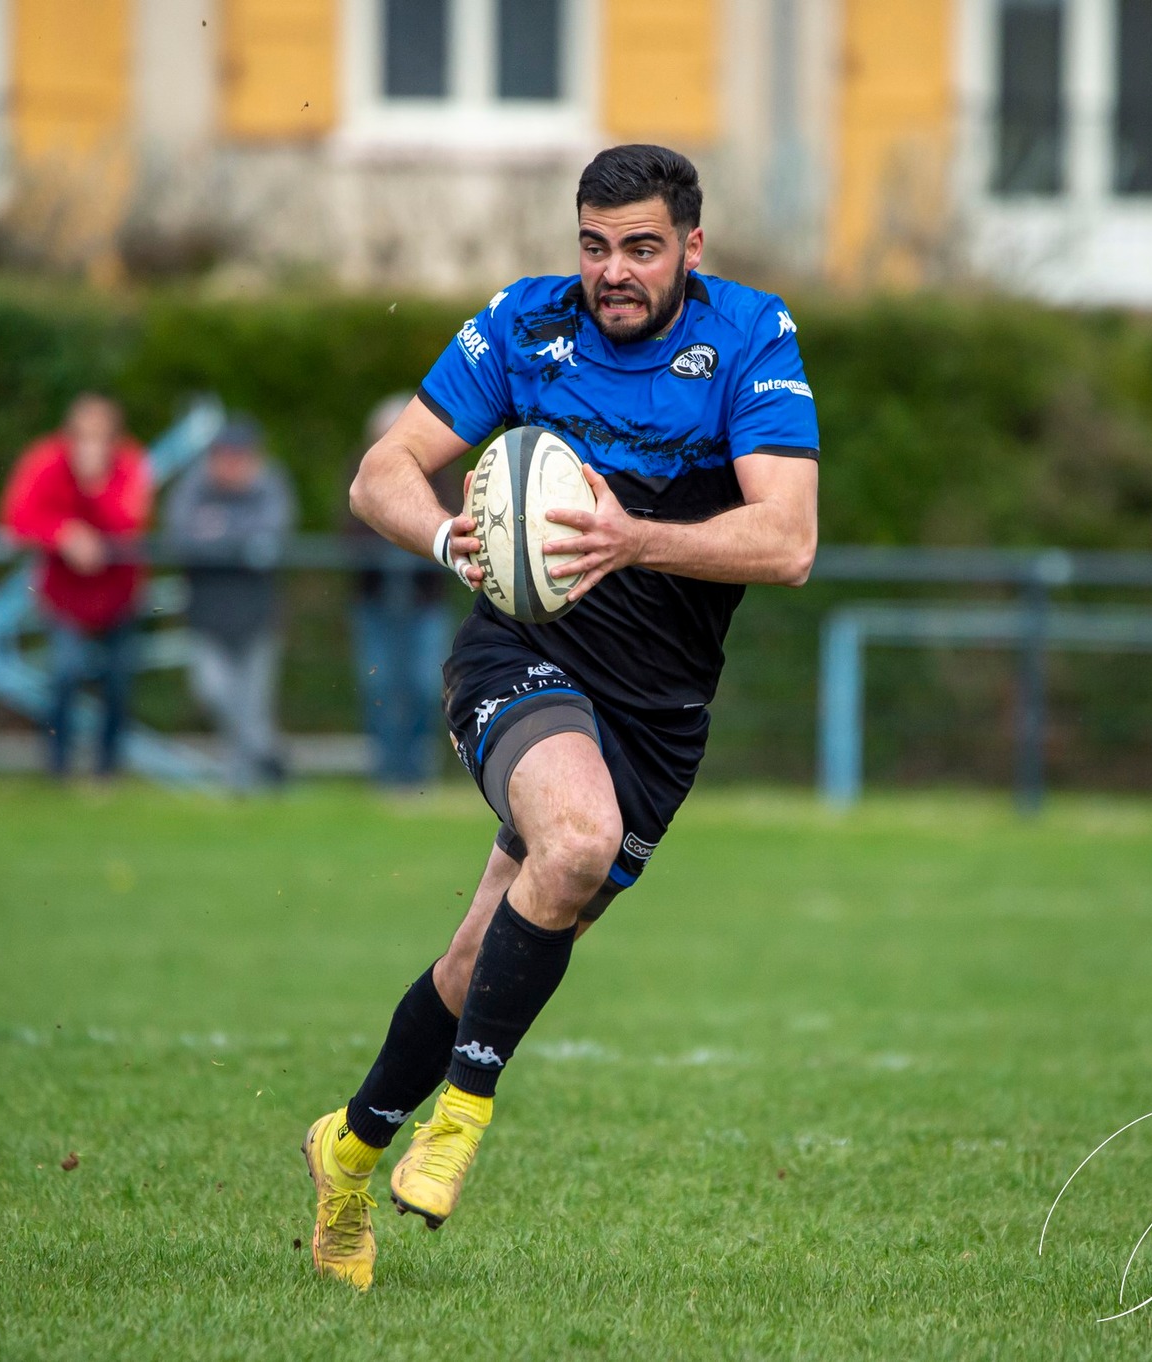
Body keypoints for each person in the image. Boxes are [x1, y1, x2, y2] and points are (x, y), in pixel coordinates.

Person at [300, 144, 820, 1290]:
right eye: (594, 246)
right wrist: (447, 538)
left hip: (658, 711)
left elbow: (785, 542)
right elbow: (380, 473)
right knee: (573, 839)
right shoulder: (522, 328)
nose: (612, 273)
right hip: (520, 649)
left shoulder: (750, 338)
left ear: (691, 246)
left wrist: (636, 536)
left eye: (639, 248)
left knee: (486, 948)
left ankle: (343, 1150)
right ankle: (461, 1121)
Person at [0, 394, 152, 779]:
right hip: (63, 595)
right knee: (65, 673)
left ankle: (107, 769)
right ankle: (58, 767)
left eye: (100, 436)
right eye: (83, 435)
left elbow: (129, 523)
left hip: (119, 595)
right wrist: (63, 534)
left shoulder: (131, 465)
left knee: (117, 680)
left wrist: (94, 486)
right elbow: (17, 517)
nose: (90, 445)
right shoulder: (45, 460)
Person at [165, 416, 298, 790]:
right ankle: (268, 755)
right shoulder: (195, 486)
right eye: (225, 455)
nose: (232, 464)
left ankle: (243, 782)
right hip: (206, 616)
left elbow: (271, 536)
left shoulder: (269, 484)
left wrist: (218, 531)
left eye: (240, 456)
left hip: (258, 617)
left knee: (254, 702)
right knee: (213, 691)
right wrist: (237, 541)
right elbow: (180, 536)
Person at [343, 393, 460, 789]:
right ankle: (386, 773)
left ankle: (416, 771)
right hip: (376, 603)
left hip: (425, 604)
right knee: (380, 687)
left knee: (425, 687)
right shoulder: (360, 473)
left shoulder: (440, 473)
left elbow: (456, 527)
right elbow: (351, 525)